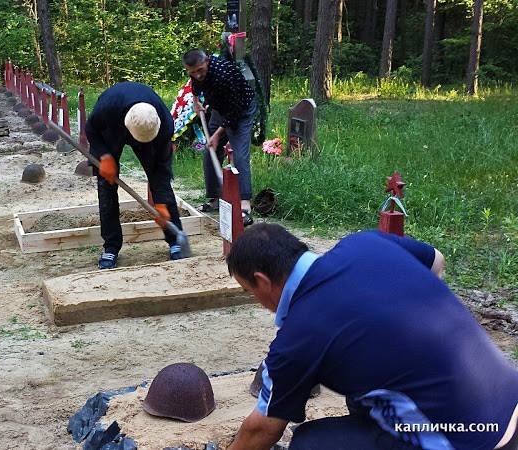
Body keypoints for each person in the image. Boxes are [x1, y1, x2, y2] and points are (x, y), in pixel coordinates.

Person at [226, 223, 518, 450]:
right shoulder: (366, 243)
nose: (256, 300)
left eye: (249, 292)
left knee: (310, 444)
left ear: (262, 281)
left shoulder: (299, 337)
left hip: (471, 440)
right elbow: (436, 261)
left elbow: (262, 431)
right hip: (510, 402)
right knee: (361, 397)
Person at [85, 81, 185, 269]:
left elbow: (161, 170)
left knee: (161, 185)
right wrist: (105, 156)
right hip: (113, 126)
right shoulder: (107, 107)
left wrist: (161, 204)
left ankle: (175, 239)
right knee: (106, 185)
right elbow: (91, 130)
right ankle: (111, 247)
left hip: (151, 138)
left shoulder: (164, 124)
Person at [183, 48, 257, 227]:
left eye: (200, 70)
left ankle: (244, 203)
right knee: (210, 152)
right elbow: (196, 84)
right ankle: (216, 197)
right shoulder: (196, 74)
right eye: (193, 72)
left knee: (239, 156)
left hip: (241, 110)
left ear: (207, 61)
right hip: (219, 109)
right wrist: (195, 102)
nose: (198, 75)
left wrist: (216, 135)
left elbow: (234, 112)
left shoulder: (225, 74)